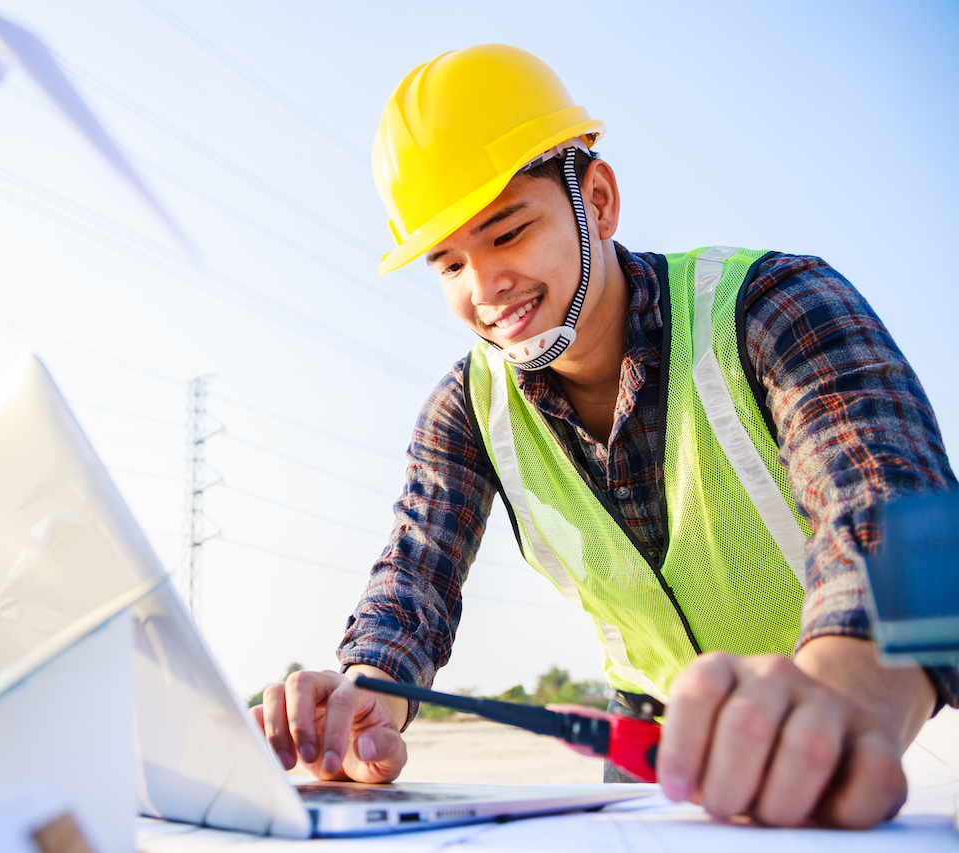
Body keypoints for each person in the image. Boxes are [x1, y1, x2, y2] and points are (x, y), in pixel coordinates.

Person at [252, 44, 958, 829]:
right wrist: (365, 694)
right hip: (659, 768)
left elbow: (896, 508)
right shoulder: (465, 409)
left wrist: (848, 698)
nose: (485, 289)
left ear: (598, 198)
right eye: (448, 264)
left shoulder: (773, 303)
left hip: (875, 721)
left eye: (508, 232)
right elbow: (413, 574)